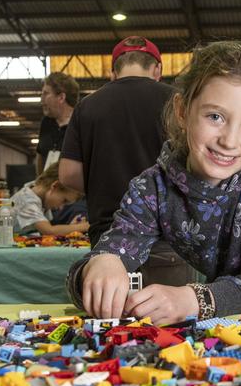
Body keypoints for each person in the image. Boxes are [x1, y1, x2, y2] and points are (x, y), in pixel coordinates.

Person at [66, 40, 241, 323]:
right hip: (230, 324)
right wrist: (102, 263)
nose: (229, 141)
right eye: (215, 117)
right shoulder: (153, 188)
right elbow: (111, 249)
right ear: (182, 111)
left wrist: (193, 299)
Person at [59, 35, 174, 246]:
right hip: (167, 231)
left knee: (110, 279)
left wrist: (103, 186)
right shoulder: (178, 102)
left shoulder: (87, 106)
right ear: (157, 69)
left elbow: (68, 175)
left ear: (113, 72)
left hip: (109, 230)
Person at [0, 163, 88, 238]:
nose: (61, 207)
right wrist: (84, 226)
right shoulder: (28, 200)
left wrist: (73, 227)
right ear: (54, 186)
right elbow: (49, 231)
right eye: (64, 200)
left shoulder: (37, 192)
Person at [36, 72, 80, 175]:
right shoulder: (46, 123)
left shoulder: (80, 124)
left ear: (61, 97)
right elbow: (40, 155)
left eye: (46, 93)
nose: (41, 99)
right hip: (48, 188)